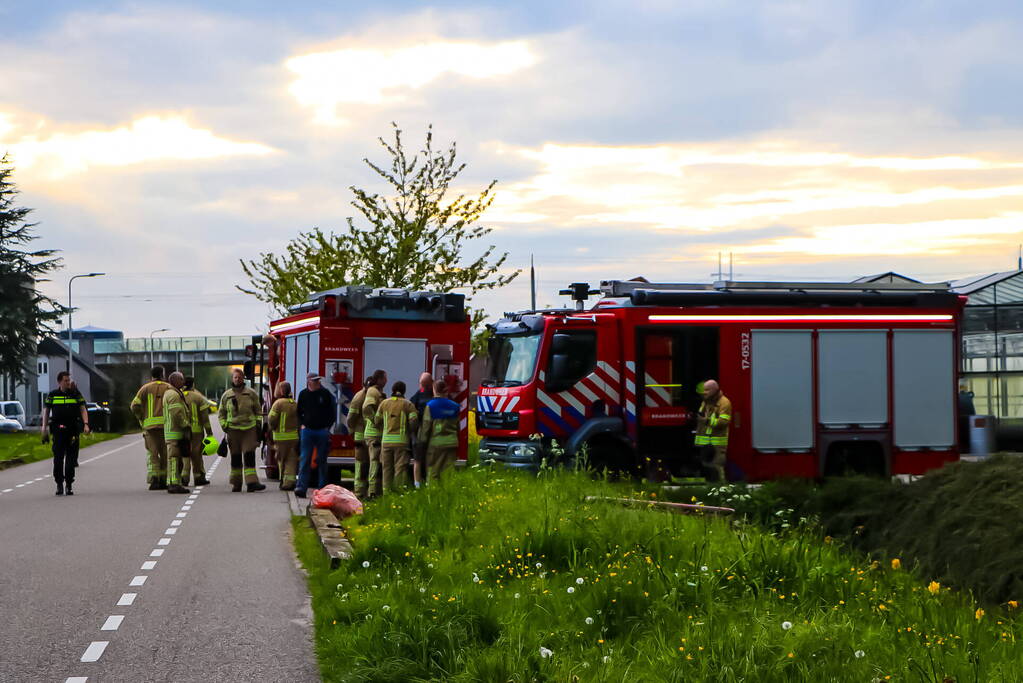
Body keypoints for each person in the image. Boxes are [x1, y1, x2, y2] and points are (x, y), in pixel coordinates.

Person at [41, 371, 90, 496]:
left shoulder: (75, 394)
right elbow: (46, 412)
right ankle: (59, 484)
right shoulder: (52, 395)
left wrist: (86, 424)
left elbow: (83, 409)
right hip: (58, 431)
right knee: (58, 459)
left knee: (71, 460)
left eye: (69, 380)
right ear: (59, 382)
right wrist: (44, 428)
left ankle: (69, 484)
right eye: (66, 380)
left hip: (72, 430)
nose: (68, 382)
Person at [218, 367, 267, 492]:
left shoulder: (251, 393)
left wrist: (257, 425)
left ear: (243, 378)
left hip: (248, 430)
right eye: (235, 377)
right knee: (235, 457)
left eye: (239, 377)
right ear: (232, 379)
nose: (237, 379)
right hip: (233, 431)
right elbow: (221, 413)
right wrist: (224, 425)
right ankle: (236, 483)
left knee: (249, 455)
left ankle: (252, 483)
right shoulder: (226, 395)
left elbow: (258, 411)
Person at [295, 372, 336, 498]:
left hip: (322, 431)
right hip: (307, 431)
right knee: (305, 459)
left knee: (322, 460)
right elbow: (298, 412)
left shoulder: (325, 394)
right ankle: (301, 487)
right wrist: (302, 425)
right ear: (309, 381)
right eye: (315, 380)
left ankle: (322, 488)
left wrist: (327, 427)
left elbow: (332, 412)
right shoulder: (303, 394)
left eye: (318, 380)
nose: (318, 382)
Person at [373, 381, 418, 493]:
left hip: (386, 442)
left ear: (392, 390)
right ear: (404, 391)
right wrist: (411, 432)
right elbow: (414, 422)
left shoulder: (384, 403)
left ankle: (386, 494)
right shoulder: (408, 404)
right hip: (401, 443)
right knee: (400, 469)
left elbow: (376, 421)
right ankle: (397, 494)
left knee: (386, 469)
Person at [131, 365, 170, 490]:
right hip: (165, 426)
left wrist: (141, 417)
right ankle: (164, 480)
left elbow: (134, 405)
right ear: (162, 375)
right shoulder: (168, 388)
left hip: (150, 427)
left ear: (152, 375)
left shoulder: (145, 388)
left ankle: (154, 480)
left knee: (153, 454)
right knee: (165, 454)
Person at [418, 379, 460, 482]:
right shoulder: (455, 406)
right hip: (451, 443)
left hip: (435, 444)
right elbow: (457, 426)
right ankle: (448, 494)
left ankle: (433, 495)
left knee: (433, 472)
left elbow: (426, 426)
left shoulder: (431, 405)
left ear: (434, 390)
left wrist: (422, 443)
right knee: (449, 472)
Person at [694, 379, 731, 482]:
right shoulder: (705, 402)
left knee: (717, 468)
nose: (704, 392)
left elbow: (723, 422)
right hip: (706, 444)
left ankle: (721, 491)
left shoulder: (724, 403)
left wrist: (707, 421)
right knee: (707, 470)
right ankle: (710, 490)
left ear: (715, 390)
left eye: (707, 390)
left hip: (717, 444)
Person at [360, 370, 388, 498]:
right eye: (385, 378)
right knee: (374, 462)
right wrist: (376, 420)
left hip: (377, 434)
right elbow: (366, 408)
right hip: (373, 434)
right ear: (380, 379)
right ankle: (372, 492)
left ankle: (374, 490)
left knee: (376, 462)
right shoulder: (373, 391)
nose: (386, 381)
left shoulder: (377, 392)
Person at [180, 376, 212, 487]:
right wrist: (209, 432)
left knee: (184, 454)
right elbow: (205, 418)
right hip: (196, 431)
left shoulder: (178, 396)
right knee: (196, 454)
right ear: (193, 385)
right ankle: (198, 477)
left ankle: (184, 477)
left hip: (182, 431)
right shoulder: (199, 397)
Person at [163, 372, 191, 494]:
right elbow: (176, 413)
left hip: (174, 431)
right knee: (174, 458)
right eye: (181, 379)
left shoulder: (172, 393)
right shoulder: (173, 395)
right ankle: (174, 484)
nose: (183, 382)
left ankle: (174, 482)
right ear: (175, 381)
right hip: (175, 432)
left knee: (176, 459)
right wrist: (186, 424)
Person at [268, 382, 300, 490]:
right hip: (294, 438)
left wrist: (271, 429)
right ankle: (290, 482)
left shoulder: (278, 403)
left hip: (281, 438)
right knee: (291, 460)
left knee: (282, 460)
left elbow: (271, 419)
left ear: (281, 391)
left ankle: (284, 481)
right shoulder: (294, 403)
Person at [347, 377, 373, 499]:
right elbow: (351, 418)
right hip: (361, 436)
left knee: (368, 464)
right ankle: (359, 492)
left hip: (366, 435)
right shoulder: (359, 397)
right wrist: (352, 431)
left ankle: (364, 491)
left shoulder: (365, 396)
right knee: (361, 465)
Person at [408, 372, 434, 487]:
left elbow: (411, 415)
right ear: (431, 383)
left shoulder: (417, 396)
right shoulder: (435, 397)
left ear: (421, 384)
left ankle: (417, 484)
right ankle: (429, 483)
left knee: (417, 460)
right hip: (434, 434)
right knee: (430, 460)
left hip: (419, 435)